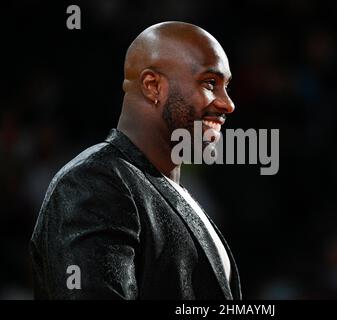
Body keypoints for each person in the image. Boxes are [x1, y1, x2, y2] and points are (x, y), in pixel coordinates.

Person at [30, 21, 241, 300]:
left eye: (225, 86)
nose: (228, 103)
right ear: (153, 86)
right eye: (210, 83)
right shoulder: (94, 183)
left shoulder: (164, 189)